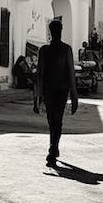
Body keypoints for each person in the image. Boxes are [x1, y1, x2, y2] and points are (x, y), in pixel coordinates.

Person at [34, 20, 78, 167]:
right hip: (58, 90)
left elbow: (39, 75)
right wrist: (74, 96)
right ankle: (54, 146)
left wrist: (37, 97)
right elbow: (71, 73)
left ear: (50, 32)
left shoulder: (45, 50)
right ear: (60, 31)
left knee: (53, 120)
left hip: (52, 90)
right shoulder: (64, 49)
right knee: (55, 120)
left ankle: (52, 149)